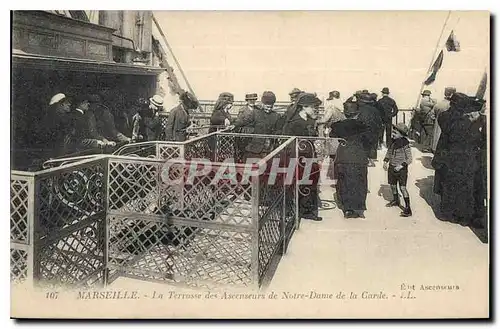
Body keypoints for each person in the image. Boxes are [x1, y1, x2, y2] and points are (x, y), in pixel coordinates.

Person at [431, 92, 484, 227]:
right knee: (464, 188)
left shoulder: (445, 116)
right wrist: (475, 119)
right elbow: (468, 136)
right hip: (462, 158)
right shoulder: (463, 120)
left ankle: (450, 213)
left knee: (450, 186)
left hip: (448, 158)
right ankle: (462, 216)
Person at [283, 93, 323, 221]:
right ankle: (290, 211)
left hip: (309, 156)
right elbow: (286, 140)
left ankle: (306, 211)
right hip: (295, 157)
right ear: (304, 107)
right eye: (313, 107)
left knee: (310, 181)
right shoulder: (293, 122)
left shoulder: (312, 120)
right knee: (293, 183)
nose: (315, 109)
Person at [330, 99, 370, 219]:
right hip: (359, 157)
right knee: (359, 182)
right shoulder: (363, 126)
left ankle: (347, 209)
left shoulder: (337, 126)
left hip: (343, 156)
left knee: (344, 182)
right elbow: (369, 142)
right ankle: (359, 208)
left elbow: (332, 136)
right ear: (357, 113)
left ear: (345, 113)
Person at [383, 123, 413, 217]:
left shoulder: (405, 144)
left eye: (395, 133)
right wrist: (385, 161)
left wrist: (401, 166)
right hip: (392, 167)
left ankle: (408, 208)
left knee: (402, 188)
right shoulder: (393, 142)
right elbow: (389, 152)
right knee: (392, 185)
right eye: (392, 132)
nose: (392, 135)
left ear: (401, 134)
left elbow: (409, 159)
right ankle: (396, 200)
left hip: (401, 169)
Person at [41, 93, 75, 157]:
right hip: (59, 152)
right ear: (60, 104)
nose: (69, 104)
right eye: (66, 102)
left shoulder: (61, 117)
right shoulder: (60, 118)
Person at [357, 92, 383, 166]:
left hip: (364, 131)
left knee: (364, 145)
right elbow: (379, 121)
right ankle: (371, 160)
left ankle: (365, 160)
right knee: (372, 145)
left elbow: (360, 121)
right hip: (374, 131)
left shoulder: (361, 110)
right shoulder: (375, 110)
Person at [431, 87, 455, 152]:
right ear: (452, 94)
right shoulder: (451, 105)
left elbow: (432, 116)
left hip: (437, 127)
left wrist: (436, 120)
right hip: (447, 128)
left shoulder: (438, 104)